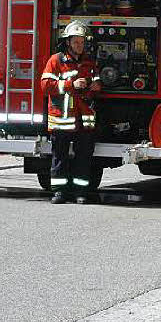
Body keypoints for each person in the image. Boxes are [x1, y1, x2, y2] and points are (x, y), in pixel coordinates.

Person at [40, 21, 102, 204]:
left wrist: (94, 85)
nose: (79, 45)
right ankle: (59, 192)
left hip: (84, 120)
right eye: (75, 42)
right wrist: (70, 85)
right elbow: (45, 85)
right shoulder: (56, 60)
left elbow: (97, 83)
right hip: (62, 119)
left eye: (81, 42)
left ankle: (80, 192)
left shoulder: (89, 62)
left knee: (83, 158)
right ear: (68, 42)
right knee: (60, 157)